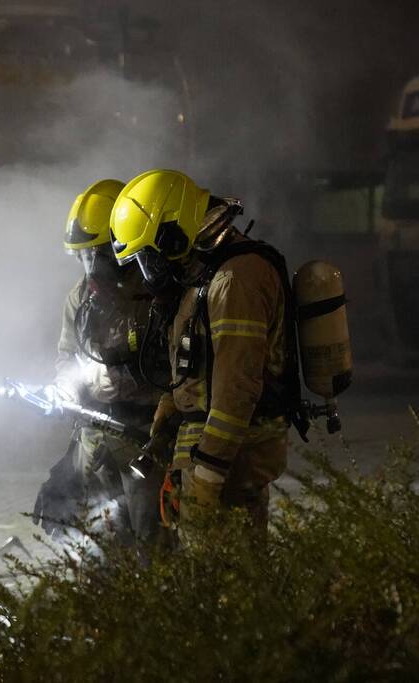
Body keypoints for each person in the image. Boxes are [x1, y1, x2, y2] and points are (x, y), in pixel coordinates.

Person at [109, 169, 300, 531]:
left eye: (149, 257)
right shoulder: (204, 274)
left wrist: (208, 477)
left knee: (227, 565)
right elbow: (197, 368)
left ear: (172, 234)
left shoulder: (235, 279)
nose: (149, 272)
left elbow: (236, 390)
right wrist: (171, 414)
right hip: (208, 451)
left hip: (230, 460)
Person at [32, 179, 164, 546]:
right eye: (83, 256)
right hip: (96, 440)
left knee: (153, 542)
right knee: (103, 542)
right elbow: (66, 356)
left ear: (120, 246)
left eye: (97, 254)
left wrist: (128, 380)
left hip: (145, 440)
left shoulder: (155, 294)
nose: (90, 266)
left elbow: (177, 371)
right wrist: (62, 389)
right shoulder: (79, 298)